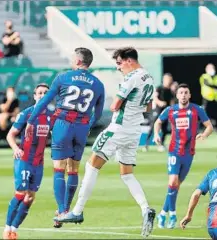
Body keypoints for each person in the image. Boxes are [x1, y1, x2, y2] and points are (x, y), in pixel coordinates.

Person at [55, 47, 156, 237]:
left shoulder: (131, 77)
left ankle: (77, 211)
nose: (118, 68)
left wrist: (119, 104)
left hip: (118, 128)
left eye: (119, 63)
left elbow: (114, 105)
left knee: (91, 165)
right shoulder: (149, 77)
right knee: (127, 174)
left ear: (129, 61)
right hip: (134, 131)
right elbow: (149, 108)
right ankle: (145, 209)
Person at [25, 47, 105, 228]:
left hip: (63, 124)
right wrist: (86, 125)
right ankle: (68, 209)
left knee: (59, 169)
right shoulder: (98, 84)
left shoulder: (63, 78)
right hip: (82, 127)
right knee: (74, 170)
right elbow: (98, 114)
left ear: (77, 61)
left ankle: (61, 211)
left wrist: (31, 120)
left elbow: (45, 101)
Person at [154, 83, 214, 229]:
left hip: (189, 153)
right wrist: (156, 134)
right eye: (181, 93)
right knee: (173, 181)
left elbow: (209, 126)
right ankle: (173, 214)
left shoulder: (196, 109)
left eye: (186, 92)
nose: (183, 95)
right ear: (177, 95)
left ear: (190, 95)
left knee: (175, 186)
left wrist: (204, 134)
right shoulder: (170, 110)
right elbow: (158, 122)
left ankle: (162, 213)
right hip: (174, 151)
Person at [3, 83, 52, 240]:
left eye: (46, 93)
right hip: (24, 159)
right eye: (40, 93)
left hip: (39, 162)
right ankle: (7, 228)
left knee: (30, 197)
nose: (43, 95)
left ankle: (15, 229)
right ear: (35, 96)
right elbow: (10, 135)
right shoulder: (26, 114)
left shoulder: (52, 116)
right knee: (20, 193)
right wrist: (16, 149)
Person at [144, 73, 175, 152]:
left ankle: (161, 144)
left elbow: (172, 101)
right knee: (152, 127)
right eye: (167, 79)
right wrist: (160, 102)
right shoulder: (159, 88)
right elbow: (155, 98)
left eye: (170, 79)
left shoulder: (170, 91)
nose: (168, 81)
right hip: (157, 111)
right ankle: (146, 145)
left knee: (165, 128)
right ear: (164, 79)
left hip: (165, 111)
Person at [200, 63, 217, 132]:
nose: (211, 70)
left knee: (216, 115)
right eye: (209, 69)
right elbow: (206, 84)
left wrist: (214, 86)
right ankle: (203, 128)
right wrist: (215, 86)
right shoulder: (204, 76)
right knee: (205, 114)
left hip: (215, 99)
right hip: (206, 98)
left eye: (212, 68)